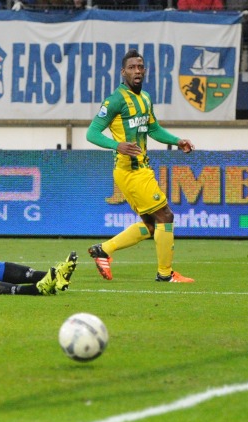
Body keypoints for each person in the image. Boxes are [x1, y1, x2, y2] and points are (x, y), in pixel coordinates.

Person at [86, 49, 195, 283]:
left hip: (142, 169)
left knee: (152, 225)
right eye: (132, 67)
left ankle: (104, 250)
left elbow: (153, 129)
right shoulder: (115, 100)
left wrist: (177, 141)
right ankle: (165, 274)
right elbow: (92, 133)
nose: (137, 71)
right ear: (123, 72)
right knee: (165, 216)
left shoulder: (145, 98)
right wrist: (117, 145)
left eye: (140, 67)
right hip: (130, 171)